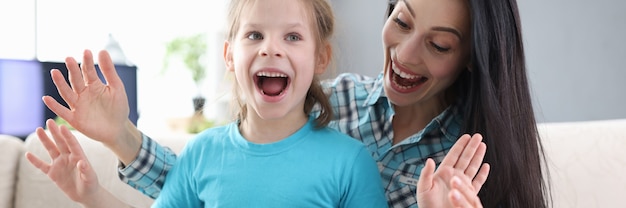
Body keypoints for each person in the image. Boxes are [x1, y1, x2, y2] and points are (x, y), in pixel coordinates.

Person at [37, 0, 548, 207]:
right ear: (228, 54)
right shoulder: (338, 100)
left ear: (471, 60)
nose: (405, 53)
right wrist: (114, 149)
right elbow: (207, 184)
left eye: (438, 45)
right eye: (402, 20)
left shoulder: (470, 162)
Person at [27, 0, 392, 206]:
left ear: (320, 59)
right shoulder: (202, 153)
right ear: (230, 56)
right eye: (254, 34)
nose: (270, 47)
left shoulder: (350, 162)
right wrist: (90, 194)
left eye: (293, 36)